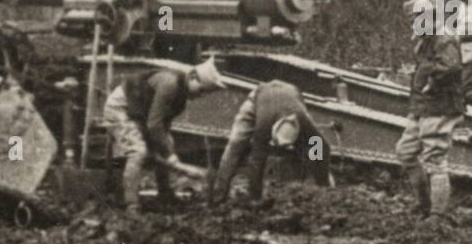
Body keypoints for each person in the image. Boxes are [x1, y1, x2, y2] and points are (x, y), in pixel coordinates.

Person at [103, 58, 226, 213]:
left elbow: (161, 125)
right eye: (201, 91)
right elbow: (154, 124)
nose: (200, 96)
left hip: (141, 112)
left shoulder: (181, 97)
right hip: (121, 107)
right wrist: (171, 158)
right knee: (138, 151)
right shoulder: (170, 84)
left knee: (167, 142)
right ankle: (132, 205)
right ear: (193, 77)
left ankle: (165, 193)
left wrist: (166, 150)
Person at [395, 0, 464, 217]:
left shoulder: (444, 37)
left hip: (439, 106)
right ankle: (423, 205)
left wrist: (431, 82)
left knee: (435, 160)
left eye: (416, 17)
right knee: (405, 152)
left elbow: (451, 68)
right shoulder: (426, 40)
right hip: (423, 107)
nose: (413, 23)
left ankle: (437, 215)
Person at [213, 79, 332, 205]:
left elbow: (322, 146)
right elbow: (256, 160)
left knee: (312, 149)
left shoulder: (302, 120)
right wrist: (255, 198)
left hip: (291, 94)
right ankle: (219, 195)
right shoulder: (264, 125)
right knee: (236, 145)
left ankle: (319, 186)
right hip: (259, 98)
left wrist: (323, 185)